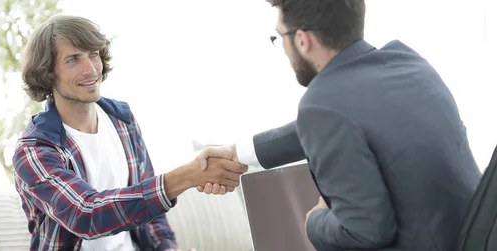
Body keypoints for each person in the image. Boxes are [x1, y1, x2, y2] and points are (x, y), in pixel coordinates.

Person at [197, 0, 482, 250]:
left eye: (280, 36)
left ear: (303, 40)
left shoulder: (322, 104)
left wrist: (315, 220)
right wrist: (238, 152)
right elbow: (337, 116)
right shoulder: (408, 62)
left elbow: (366, 232)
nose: (282, 47)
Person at [12, 15, 247, 251]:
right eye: (73, 59)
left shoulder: (121, 119)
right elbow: (86, 214)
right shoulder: (34, 149)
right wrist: (188, 176)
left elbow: (152, 216)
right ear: (48, 73)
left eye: (93, 54)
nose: (91, 69)